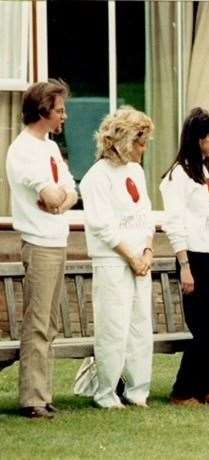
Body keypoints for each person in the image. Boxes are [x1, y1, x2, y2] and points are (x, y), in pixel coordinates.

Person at [6, 80, 77, 419]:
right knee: (37, 323)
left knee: (49, 324)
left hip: (57, 240)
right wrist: (58, 199)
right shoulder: (23, 150)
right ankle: (32, 399)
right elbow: (49, 195)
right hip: (38, 243)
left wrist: (60, 202)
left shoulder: (49, 147)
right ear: (43, 110)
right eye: (60, 110)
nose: (64, 116)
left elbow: (70, 190)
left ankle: (43, 394)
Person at [79, 106, 155, 409]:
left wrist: (147, 251)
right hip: (113, 260)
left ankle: (138, 391)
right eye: (140, 141)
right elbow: (103, 225)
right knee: (114, 327)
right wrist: (130, 257)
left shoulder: (136, 171)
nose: (144, 148)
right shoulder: (96, 177)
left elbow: (146, 214)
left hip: (140, 259)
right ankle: (105, 392)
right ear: (123, 141)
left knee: (140, 327)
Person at [160, 108, 209, 407]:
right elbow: (174, 222)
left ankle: (204, 388)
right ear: (197, 138)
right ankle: (182, 390)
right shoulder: (178, 175)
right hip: (196, 257)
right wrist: (185, 265)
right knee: (201, 328)